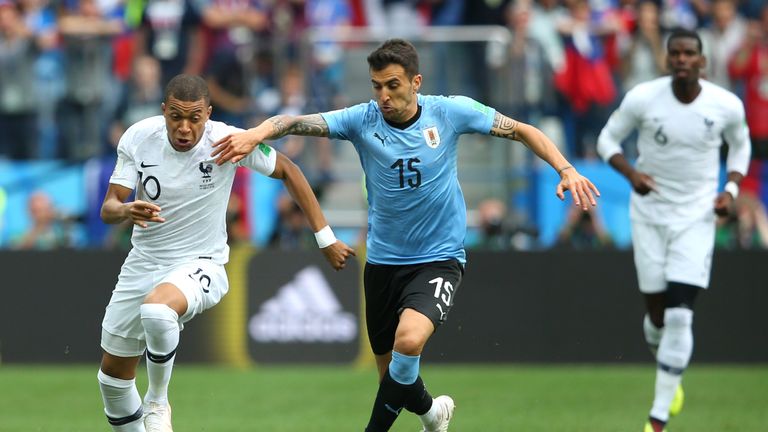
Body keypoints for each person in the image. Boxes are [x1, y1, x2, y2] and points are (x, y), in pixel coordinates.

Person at [211, 38, 600, 432]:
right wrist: (256, 133)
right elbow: (294, 122)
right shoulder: (361, 120)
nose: (383, 96)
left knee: (409, 342)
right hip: (382, 263)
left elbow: (521, 130)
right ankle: (432, 415)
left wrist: (565, 168)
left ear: (416, 82)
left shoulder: (449, 112)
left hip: (438, 258)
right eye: (376, 86)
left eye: (393, 85)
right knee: (393, 379)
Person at [96, 74, 355, 432]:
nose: (184, 128)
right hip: (143, 262)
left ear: (209, 113)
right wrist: (125, 210)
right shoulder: (139, 138)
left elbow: (289, 170)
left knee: (157, 311)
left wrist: (325, 237)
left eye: (194, 118)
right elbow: (109, 207)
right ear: (163, 112)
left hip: (201, 264)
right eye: (175, 117)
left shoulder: (228, 142)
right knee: (112, 379)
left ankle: (158, 402)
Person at [596, 28, 751, 432]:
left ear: (702, 61)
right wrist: (631, 174)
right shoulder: (644, 98)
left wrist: (730, 189)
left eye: (689, 54)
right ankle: (670, 373)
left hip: (696, 217)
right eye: (675, 53)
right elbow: (607, 140)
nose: (682, 59)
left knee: (681, 316)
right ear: (667, 60)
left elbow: (741, 145)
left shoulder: (726, 105)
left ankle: (658, 418)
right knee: (658, 318)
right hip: (648, 213)